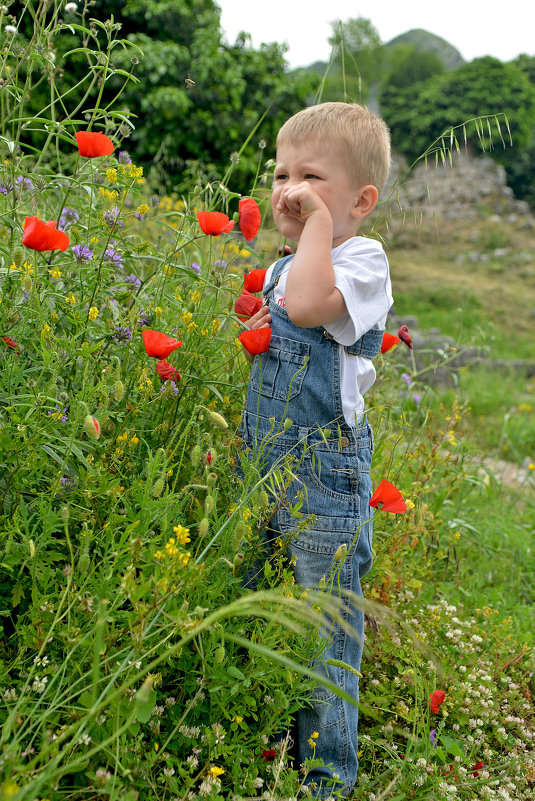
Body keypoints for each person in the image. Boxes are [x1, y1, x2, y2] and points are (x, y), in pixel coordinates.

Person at [239, 102, 393, 797]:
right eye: (280, 173)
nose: (288, 189)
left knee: (324, 622)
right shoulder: (286, 266)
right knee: (258, 603)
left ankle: (325, 773)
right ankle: (258, 739)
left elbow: (306, 309)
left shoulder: (359, 261)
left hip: (323, 477)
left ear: (361, 201)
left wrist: (321, 228)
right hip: (263, 464)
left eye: (310, 177)